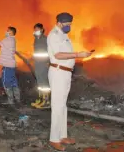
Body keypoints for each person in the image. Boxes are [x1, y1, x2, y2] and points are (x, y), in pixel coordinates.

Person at [47, 12, 93, 151]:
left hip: (65, 73)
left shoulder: (63, 34)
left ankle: (62, 135)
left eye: (70, 24)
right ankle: (54, 139)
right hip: (58, 72)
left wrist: (79, 55)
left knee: (63, 106)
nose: (69, 27)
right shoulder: (53, 35)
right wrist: (78, 54)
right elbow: (58, 55)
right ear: (59, 22)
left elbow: (67, 54)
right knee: (57, 106)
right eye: (67, 24)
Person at [0, 26, 20, 105]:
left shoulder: (8, 39)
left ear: (11, 32)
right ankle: (17, 99)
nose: (6, 31)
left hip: (7, 65)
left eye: (7, 31)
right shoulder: (12, 39)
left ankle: (10, 101)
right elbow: (0, 43)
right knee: (13, 82)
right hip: (12, 65)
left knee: (6, 82)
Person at [30, 23, 50, 109]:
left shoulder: (46, 39)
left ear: (42, 29)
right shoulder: (36, 39)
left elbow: (50, 51)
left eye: (37, 29)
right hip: (37, 63)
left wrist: (49, 62)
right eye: (35, 29)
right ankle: (41, 99)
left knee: (44, 83)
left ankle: (46, 101)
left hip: (44, 64)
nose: (35, 31)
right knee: (39, 82)